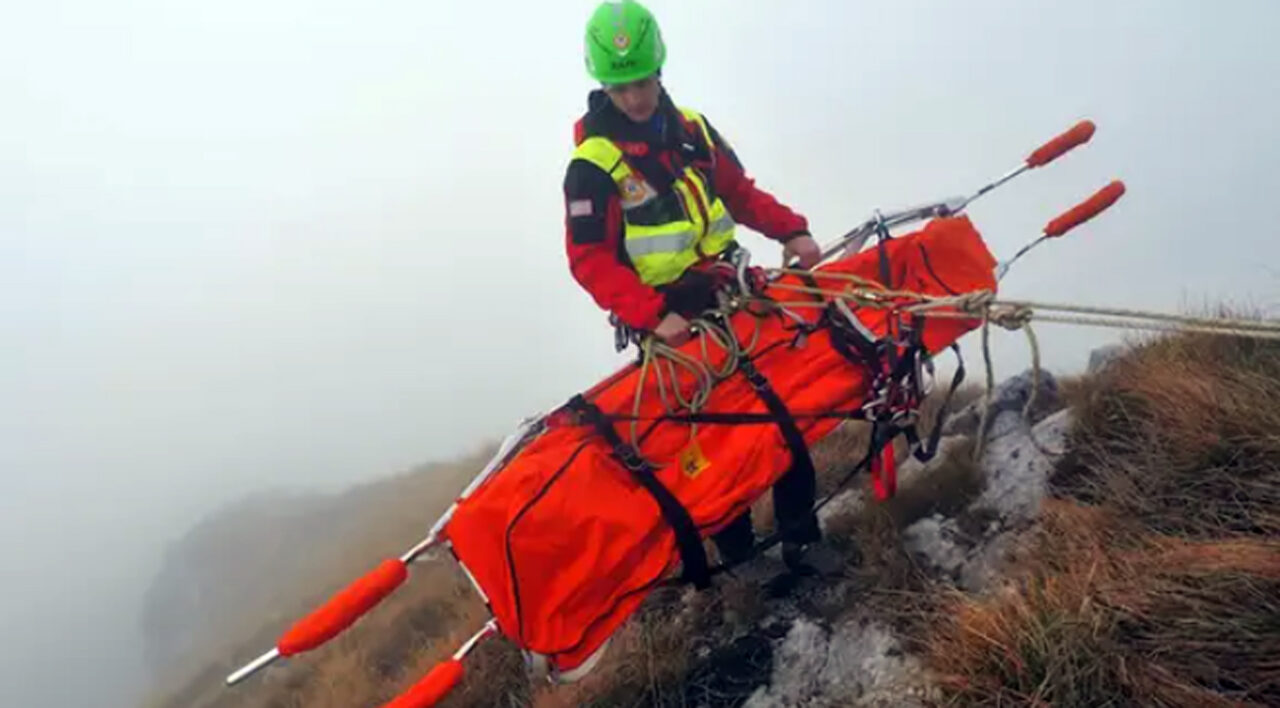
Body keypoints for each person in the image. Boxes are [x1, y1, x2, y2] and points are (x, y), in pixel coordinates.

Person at [562, 0, 842, 576]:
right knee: (716, 446)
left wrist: (793, 229)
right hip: (672, 326)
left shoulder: (693, 132)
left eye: (641, 81)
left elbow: (738, 192)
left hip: (733, 297)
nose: (635, 98)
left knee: (783, 414)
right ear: (602, 86)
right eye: (621, 88)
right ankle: (742, 562)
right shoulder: (592, 165)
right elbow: (589, 260)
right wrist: (651, 317)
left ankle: (803, 542)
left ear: (659, 70)